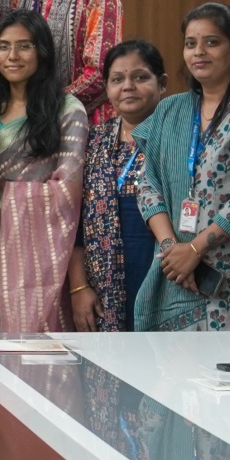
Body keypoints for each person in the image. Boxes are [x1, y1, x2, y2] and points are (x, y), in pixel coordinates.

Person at [134, 4, 230, 333]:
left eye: (212, 42)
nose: (199, 52)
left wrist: (196, 248)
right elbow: (147, 185)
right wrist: (172, 250)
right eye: (190, 44)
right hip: (176, 270)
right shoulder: (170, 109)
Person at [0, 10, 89, 335]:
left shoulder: (67, 109)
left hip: (42, 253)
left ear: (42, 51)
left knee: (34, 346)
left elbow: (66, 192)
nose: (12, 56)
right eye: (3, 46)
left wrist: (6, 192)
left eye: (24, 46)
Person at [73, 41, 168, 333]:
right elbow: (73, 223)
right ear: (106, 88)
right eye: (117, 79)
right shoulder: (93, 141)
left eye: (140, 77)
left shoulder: (175, 138)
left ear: (162, 84)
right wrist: (78, 288)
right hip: (102, 289)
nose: (128, 86)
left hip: (163, 276)